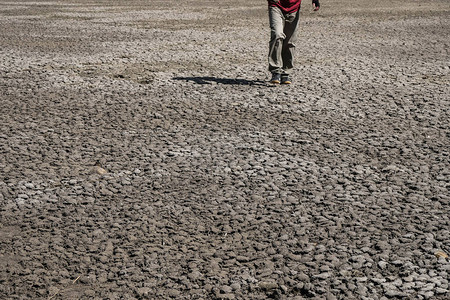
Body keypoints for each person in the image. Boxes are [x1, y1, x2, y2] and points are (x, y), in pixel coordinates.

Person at [268, 0, 320, 84]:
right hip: (276, 5)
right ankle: (275, 71)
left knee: (290, 41)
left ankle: (286, 72)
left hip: (294, 8)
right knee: (277, 35)